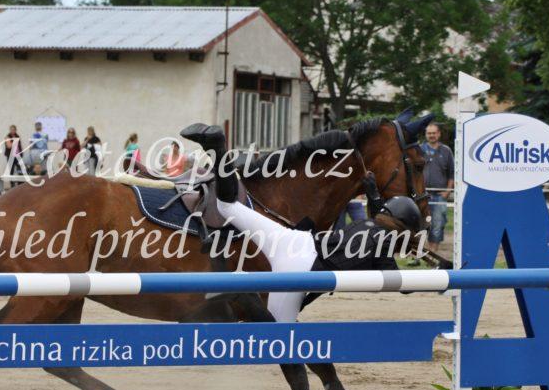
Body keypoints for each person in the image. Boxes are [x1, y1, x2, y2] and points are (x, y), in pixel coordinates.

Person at [180, 122, 423, 323]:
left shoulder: (365, 225)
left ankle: (218, 149)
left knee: (228, 207)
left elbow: (379, 216)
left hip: (291, 238)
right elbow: (398, 282)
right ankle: (242, 297)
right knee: (281, 335)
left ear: (386, 214)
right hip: (299, 266)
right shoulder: (381, 244)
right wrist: (431, 278)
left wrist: (374, 194)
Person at [420, 122, 454, 255]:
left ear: (439, 134)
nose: (431, 135)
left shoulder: (446, 151)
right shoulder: (419, 150)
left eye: (434, 133)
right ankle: (419, 252)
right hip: (421, 195)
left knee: (437, 224)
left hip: (440, 195)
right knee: (421, 224)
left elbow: (452, 173)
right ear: (425, 134)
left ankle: (433, 253)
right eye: (429, 133)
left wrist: (447, 191)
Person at [0, 125, 23, 189]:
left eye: (14, 130)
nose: (12, 131)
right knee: (11, 170)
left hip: (17, 156)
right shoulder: (8, 137)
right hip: (10, 156)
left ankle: (20, 184)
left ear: (15, 130)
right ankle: (12, 185)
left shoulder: (17, 136)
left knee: (20, 170)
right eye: (11, 130)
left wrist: (21, 153)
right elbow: (9, 146)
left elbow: (19, 146)